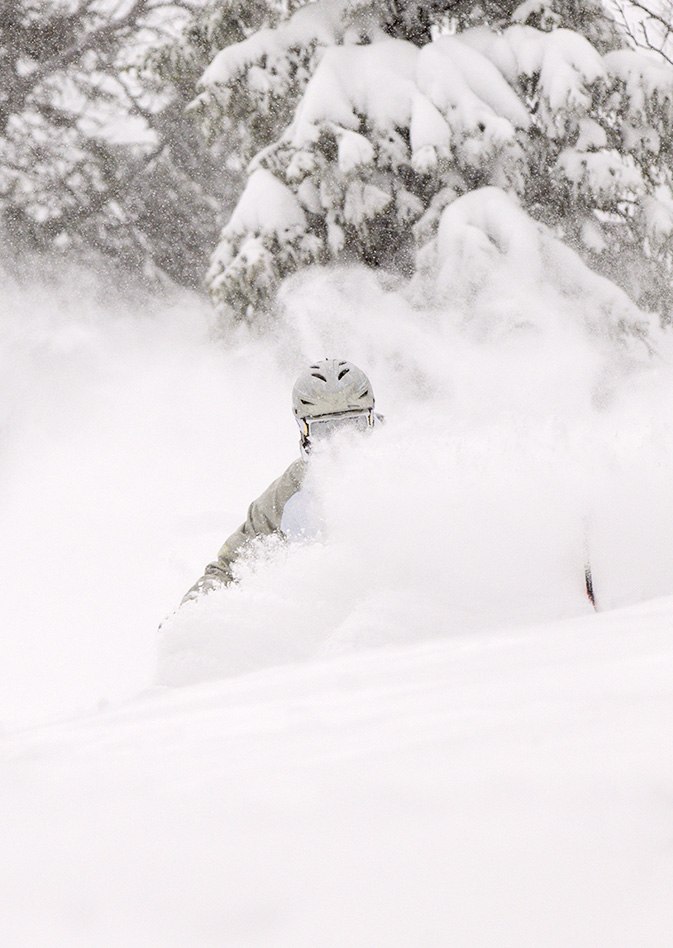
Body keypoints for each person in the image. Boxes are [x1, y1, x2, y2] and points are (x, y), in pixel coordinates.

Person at [181, 358, 378, 603]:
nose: (340, 443)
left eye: (353, 425)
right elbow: (231, 567)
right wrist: (191, 614)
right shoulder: (291, 491)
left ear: (371, 419)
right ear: (303, 430)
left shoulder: (409, 464)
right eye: (324, 431)